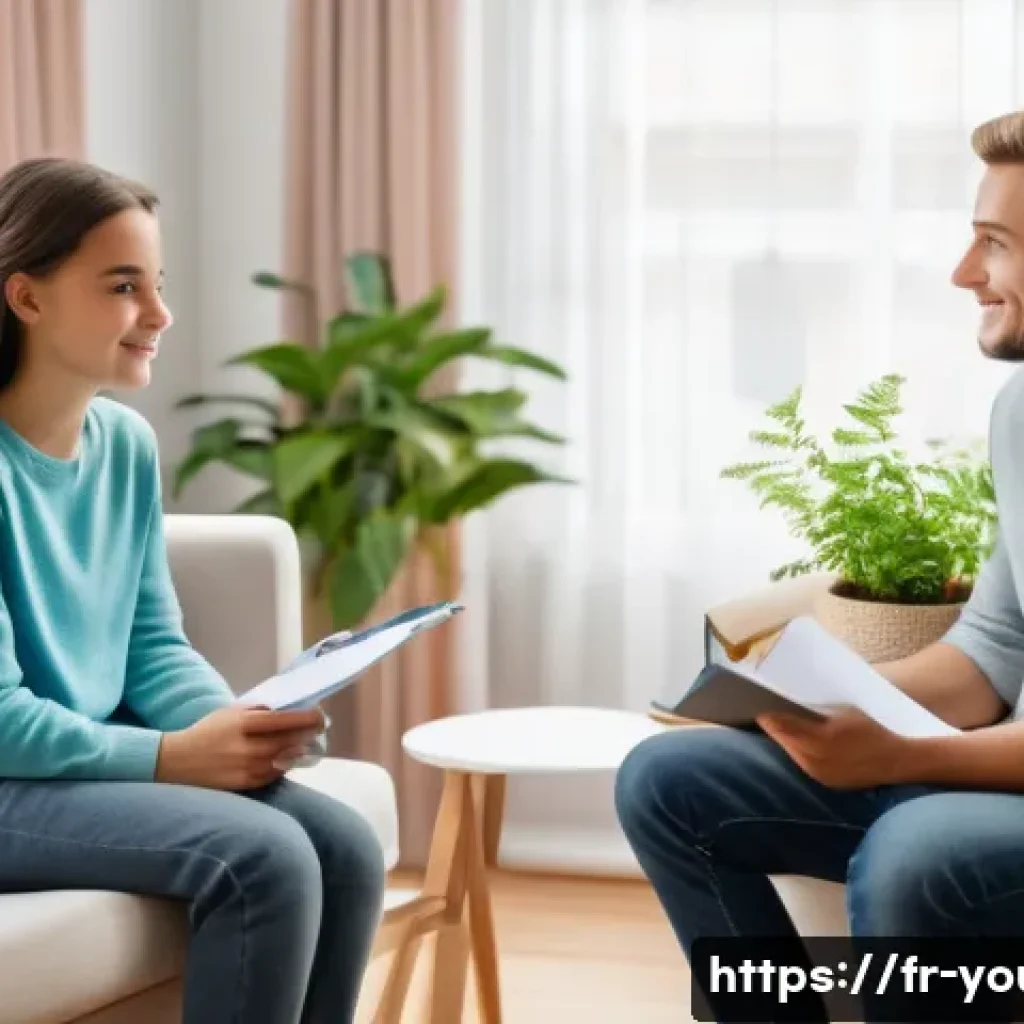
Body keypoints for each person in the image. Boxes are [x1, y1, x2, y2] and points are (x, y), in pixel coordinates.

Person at [615, 109, 1024, 1020]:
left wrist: (903, 753)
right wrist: (839, 700)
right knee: (667, 781)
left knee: (919, 853)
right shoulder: (1021, 412)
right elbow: (994, 647)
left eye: (994, 244)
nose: (965, 274)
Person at [0, 157, 385, 1024]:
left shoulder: (124, 446)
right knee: (265, 858)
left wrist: (236, 730)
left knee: (347, 848)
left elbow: (149, 644)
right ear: (27, 298)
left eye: (158, 284)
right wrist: (173, 758)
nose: (160, 315)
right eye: (124, 286)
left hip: (72, 770)